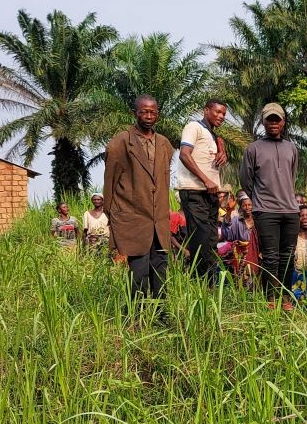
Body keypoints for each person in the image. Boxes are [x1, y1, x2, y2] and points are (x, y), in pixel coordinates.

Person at [104, 94, 173, 303]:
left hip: (159, 221)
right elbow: (110, 183)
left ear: (158, 114)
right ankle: (135, 315)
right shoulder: (121, 142)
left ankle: (160, 314)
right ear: (134, 113)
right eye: (144, 112)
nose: (149, 116)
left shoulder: (164, 144)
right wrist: (113, 215)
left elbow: (163, 182)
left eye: (153, 112)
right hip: (133, 219)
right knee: (138, 273)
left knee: (160, 270)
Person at [240, 103, 300, 309]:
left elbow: (292, 176)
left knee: (288, 257)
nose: (274, 123)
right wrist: (259, 199)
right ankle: (271, 298)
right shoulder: (253, 149)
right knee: (271, 257)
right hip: (265, 210)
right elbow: (246, 180)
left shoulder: (291, 148)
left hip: (291, 210)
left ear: (283, 122)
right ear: (263, 122)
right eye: (269, 119)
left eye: (277, 119)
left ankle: (286, 297)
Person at [178, 99, 228, 282]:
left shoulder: (213, 135)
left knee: (212, 239)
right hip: (194, 190)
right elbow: (184, 154)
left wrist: (221, 148)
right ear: (206, 110)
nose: (221, 116)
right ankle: (198, 281)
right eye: (218, 112)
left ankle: (210, 283)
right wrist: (206, 179)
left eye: (224, 114)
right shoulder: (194, 127)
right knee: (201, 237)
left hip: (211, 193)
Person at [222, 192, 261, 285]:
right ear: (241, 207)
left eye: (250, 205)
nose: (247, 208)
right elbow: (228, 234)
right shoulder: (237, 220)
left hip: (256, 255)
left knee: (256, 281)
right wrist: (229, 212)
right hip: (241, 258)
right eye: (244, 205)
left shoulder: (259, 221)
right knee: (241, 282)